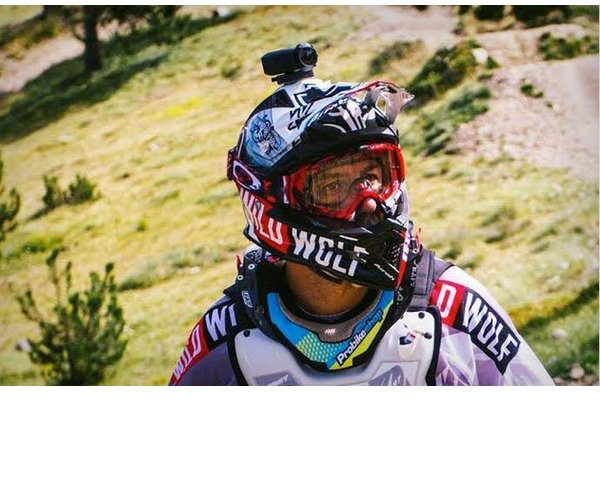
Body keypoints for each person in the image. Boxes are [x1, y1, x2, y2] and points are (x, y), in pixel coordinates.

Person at [169, 43, 554, 386]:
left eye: (373, 177)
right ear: (274, 203)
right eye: (332, 187)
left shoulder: (453, 308)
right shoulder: (226, 337)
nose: (369, 203)